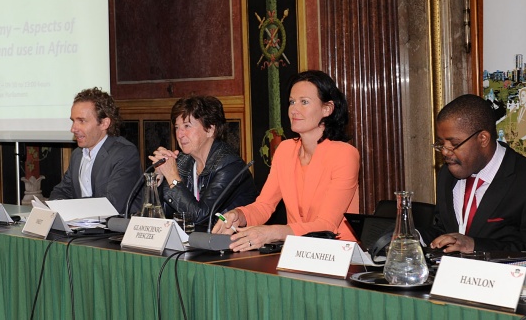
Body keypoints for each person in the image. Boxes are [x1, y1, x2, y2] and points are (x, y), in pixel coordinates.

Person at [212, 70, 360, 251]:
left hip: (338, 255)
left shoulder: (345, 155)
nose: (294, 109)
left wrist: (271, 233)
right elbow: (264, 205)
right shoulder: (285, 150)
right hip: (297, 253)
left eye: (304, 102)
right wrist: (239, 215)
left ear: (327, 109)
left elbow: (326, 225)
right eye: (292, 102)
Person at [429, 94, 526, 255]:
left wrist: (475, 245)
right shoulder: (447, 174)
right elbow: (443, 231)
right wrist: (412, 237)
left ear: (483, 139)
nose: (445, 151)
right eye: (441, 143)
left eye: (455, 144)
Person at [148, 95, 258, 227]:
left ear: (210, 130)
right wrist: (157, 180)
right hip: (195, 243)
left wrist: (172, 177)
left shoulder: (230, 166)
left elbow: (201, 217)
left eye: (187, 126)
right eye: (177, 127)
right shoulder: (182, 162)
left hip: (233, 243)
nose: (179, 134)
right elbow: (156, 216)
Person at [49, 87, 143, 213]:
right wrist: (58, 206)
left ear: (104, 123)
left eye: (81, 121)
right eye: (73, 121)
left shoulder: (124, 153)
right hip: (82, 227)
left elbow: (112, 204)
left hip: (114, 230)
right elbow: (62, 191)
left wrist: (70, 208)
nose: (73, 129)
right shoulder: (77, 154)